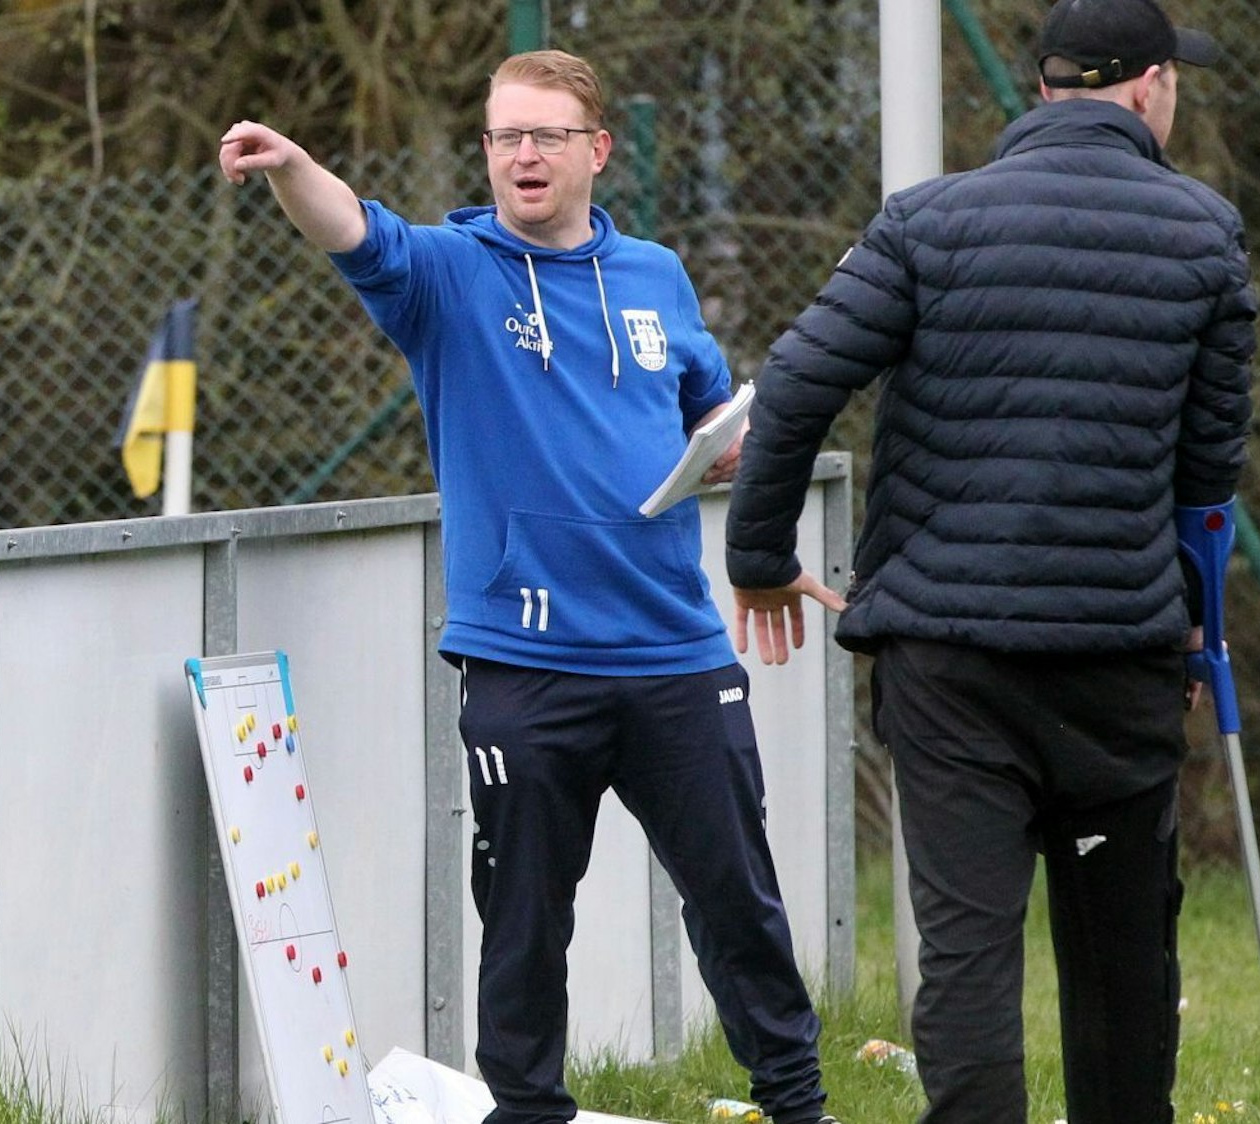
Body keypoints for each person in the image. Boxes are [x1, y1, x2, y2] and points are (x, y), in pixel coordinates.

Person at [221, 49, 838, 1124]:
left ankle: (797, 1102)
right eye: (505, 135)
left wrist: (723, 453)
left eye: (545, 135)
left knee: (737, 898)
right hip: (526, 662)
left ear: (595, 150)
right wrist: (289, 167)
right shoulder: (450, 277)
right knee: (522, 917)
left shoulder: (654, 274)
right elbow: (355, 231)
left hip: (676, 655)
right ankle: (527, 1106)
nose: (522, 155)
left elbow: (700, 415)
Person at [722, 0, 1255, 1121]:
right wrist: (1198, 619)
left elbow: (793, 390)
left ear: (1048, 90)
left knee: (965, 943)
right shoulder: (1204, 232)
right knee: (1118, 944)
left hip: (949, 657)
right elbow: (1207, 478)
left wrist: (760, 556)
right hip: (1117, 651)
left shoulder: (926, 223)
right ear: (1150, 86)